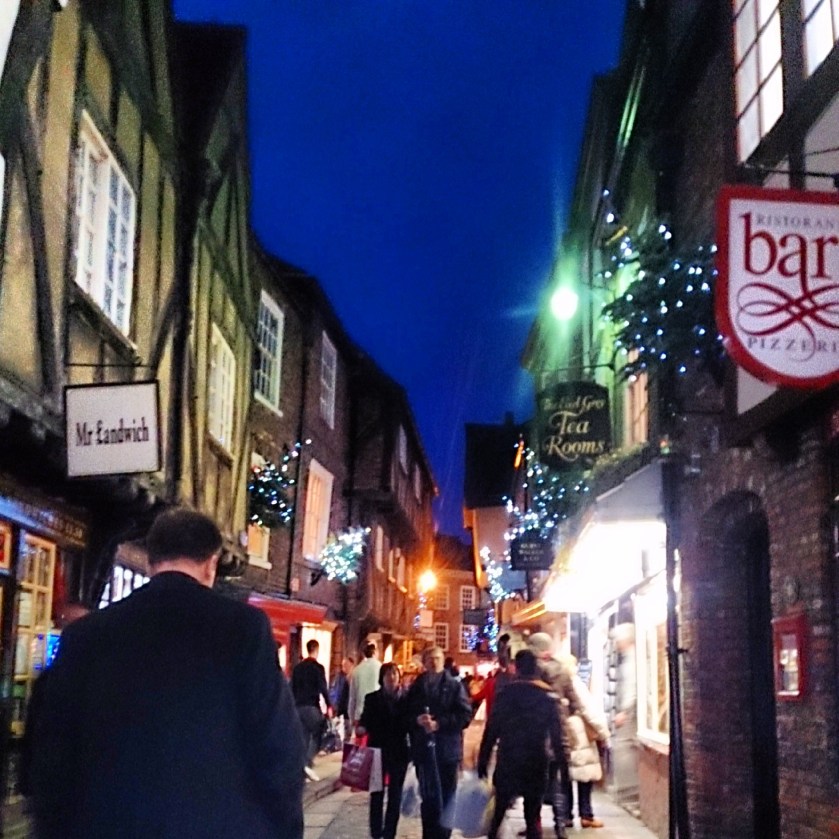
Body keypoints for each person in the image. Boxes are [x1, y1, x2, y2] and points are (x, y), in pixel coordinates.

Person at [29, 507, 306, 839]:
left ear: (150, 561)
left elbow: (53, 757)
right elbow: (279, 747)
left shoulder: (86, 635)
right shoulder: (242, 629)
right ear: (211, 564)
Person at [477, 650, 565, 839]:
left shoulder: (505, 694)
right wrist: (562, 765)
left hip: (509, 758)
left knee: (499, 812)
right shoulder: (546, 696)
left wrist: (482, 760)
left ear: (516, 667)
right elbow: (557, 735)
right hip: (536, 759)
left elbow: (492, 729)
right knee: (532, 816)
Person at [405, 646, 473, 839]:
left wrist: (439, 724)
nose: (434, 662)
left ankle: (444, 835)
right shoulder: (417, 686)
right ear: (424, 663)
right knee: (428, 798)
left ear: (443, 661)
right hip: (424, 752)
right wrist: (417, 720)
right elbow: (406, 714)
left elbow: (464, 715)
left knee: (447, 798)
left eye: (437, 658)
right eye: (430, 659)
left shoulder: (454, 686)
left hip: (447, 752)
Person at [528, 632, 590, 839]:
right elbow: (575, 702)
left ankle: (533, 826)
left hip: (535, 735)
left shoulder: (532, 671)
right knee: (557, 782)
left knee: (534, 783)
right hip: (557, 733)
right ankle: (560, 825)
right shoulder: (563, 672)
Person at [358, 663, 410, 839]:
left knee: (395, 795)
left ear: (399, 677)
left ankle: (389, 833)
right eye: (388, 674)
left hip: (399, 752)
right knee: (377, 794)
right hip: (377, 750)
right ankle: (376, 832)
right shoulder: (372, 698)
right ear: (382, 678)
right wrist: (362, 727)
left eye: (394, 673)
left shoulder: (406, 699)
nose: (392, 677)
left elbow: (410, 724)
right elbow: (365, 719)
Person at [559, 655, 610, 830]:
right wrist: (603, 732)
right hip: (578, 732)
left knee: (566, 775)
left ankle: (565, 816)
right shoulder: (575, 683)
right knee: (585, 775)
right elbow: (588, 709)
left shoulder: (555, 682)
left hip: (562, 730)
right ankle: (586, 815)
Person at [291, 638, 332, 781]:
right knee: (318, 732)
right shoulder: (318, 668)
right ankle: (308, 762)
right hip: (311, 707)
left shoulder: (297, 668)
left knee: (303, 737)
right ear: (316, 650)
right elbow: (322, 688)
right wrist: (329, 705)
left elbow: (292, 688)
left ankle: (300, 766)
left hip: (297, 708)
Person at [348, 641, 381, 733]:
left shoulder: (357, 670)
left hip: (359, 714)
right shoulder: (380, 667)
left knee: (360, 745)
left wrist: (351, 717)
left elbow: (352, 697)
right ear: (375, 653)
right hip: (377, 714)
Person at [330, 656, 354, 741]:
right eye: (343, 665)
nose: (344, 667)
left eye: (346, 665)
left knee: (348, 729)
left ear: (352, 665)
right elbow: (334, 691)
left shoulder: (354, 677)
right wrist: (333, 704)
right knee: (337, 727)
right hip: (340, 707)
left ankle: (346, 742)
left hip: (349, 708)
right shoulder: (339, 677)